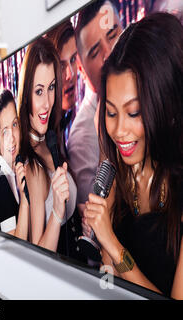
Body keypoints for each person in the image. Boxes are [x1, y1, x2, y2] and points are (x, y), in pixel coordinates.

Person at [84, 12, 183, 299]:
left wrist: (112, 245)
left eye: (134, 112)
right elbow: (107, 278)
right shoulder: (118, 168)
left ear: (167, 104)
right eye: (111, 113)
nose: (118, 130)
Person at [17, 37, 84, 262]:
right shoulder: (31, 165)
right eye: (38, 91)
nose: (46, 103)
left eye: (51, 87)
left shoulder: (49, 140)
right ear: (26, 94)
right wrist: (57, 211)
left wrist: (77, 212)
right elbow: (37, 258)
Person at [67, 0, 123, 217]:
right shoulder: (82, 137)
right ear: (81, 66)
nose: (110, 53)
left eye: (113, 35)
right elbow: (93, 222)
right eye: (95, 52)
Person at [0, 88, 29, 240]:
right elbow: (15, 246)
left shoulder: (14, 171)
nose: (12, 137)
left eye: (14, 125)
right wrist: (25, 198)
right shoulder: (1, 185)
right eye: (5, 131)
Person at [46, 19, 81, 154]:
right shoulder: (43, 144)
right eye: (61, 66)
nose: (70, 74)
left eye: (73, 59)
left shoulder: (59, 131)